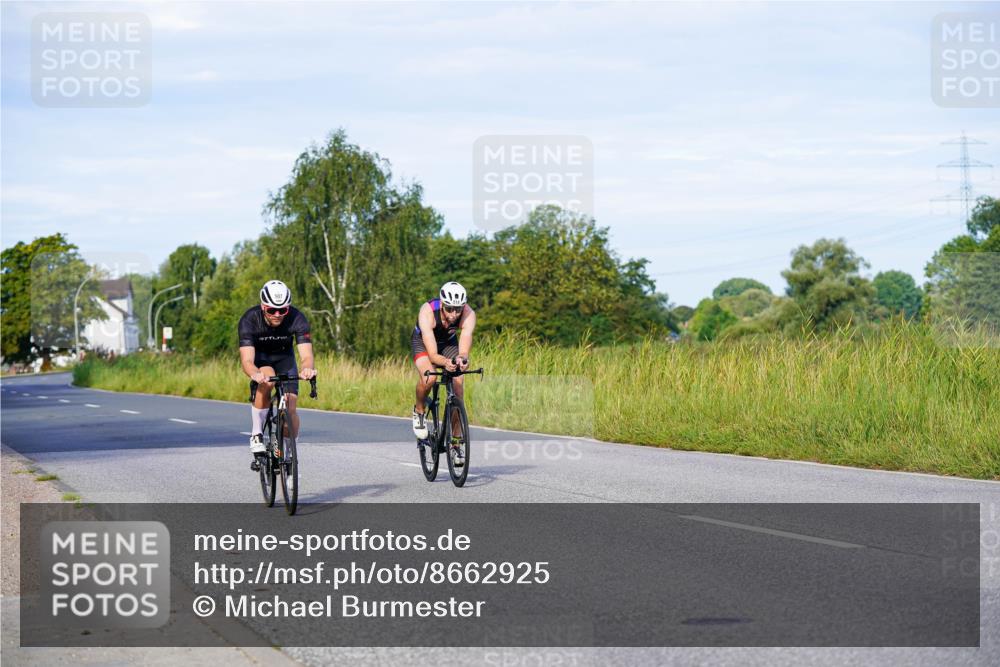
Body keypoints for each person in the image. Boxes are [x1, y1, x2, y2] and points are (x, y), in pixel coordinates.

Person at [238, 280, 317, 459]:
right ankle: (257, 434)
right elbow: (247, 360)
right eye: (272, 310)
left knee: (290, 405)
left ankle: (289, 454)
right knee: (267, 380)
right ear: (263, 306)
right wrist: (255, 374)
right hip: (261, 358)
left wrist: (307, 369)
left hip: (284, 358)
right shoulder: (250, 320)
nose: (277, 315)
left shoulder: (297, 318)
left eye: (282, 310)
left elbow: (306, 356)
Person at [411, 281, 476, 465]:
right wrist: (446, 363)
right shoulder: (427, 312)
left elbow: (464, 342)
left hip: (447, 343)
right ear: (442, 304)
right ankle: (419, 410)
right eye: (449, 309)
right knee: (429, 376)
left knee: (458, 385)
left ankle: (456, 443)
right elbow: (432, 355)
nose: (454, 314)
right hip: (424, 343)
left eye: (458, 309)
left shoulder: (468, 314)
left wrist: (462, 359)